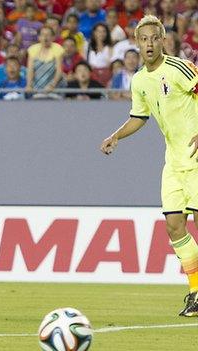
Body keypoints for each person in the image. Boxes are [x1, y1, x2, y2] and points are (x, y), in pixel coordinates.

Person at [100, 15, 198, 317]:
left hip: (195, 157)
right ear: (137, 43)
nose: (150, 44)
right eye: (144, 39)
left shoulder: (179, 68)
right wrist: (116, 135)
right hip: (173, 161)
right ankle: (196, 291)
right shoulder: (140, 79)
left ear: (164, 39)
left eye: (156, 38)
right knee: (173, 224)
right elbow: (138, 117)